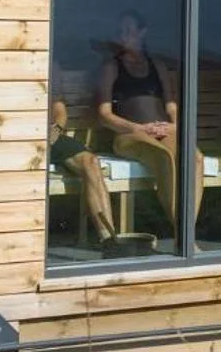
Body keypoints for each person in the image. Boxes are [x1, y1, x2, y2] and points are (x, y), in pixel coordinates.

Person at [96, 8, 200, 238]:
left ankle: (187, 233)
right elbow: (104, 114)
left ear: (143, 33)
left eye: (129, 30)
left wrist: (175, 125)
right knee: (163, 156)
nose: (123, 35)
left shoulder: (157, 65)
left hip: (162, 129)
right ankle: (182, 236)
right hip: (130, 134)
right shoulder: (112, 66)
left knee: (195, 158)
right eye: (120, 31)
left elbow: (170, 102)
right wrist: (136, 128)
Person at [47, 95, 151, 256]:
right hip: (16, 138)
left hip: (48, 136)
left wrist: (55, 130)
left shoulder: (48, 74)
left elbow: (59, 110)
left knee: (91, 162)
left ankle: (109, 240)